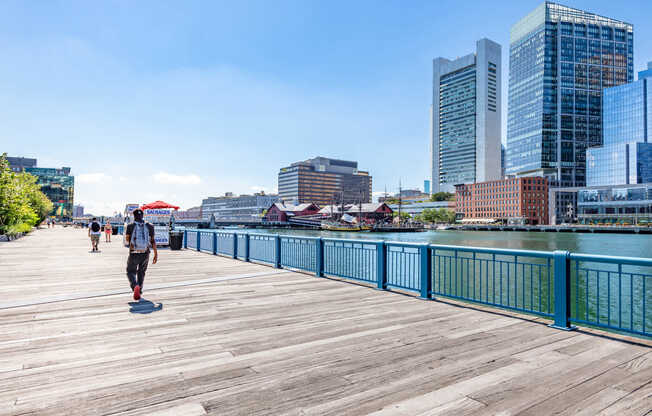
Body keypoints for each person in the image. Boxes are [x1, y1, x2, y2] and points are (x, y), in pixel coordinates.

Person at [125, 209, 158, 300]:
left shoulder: (130, 226)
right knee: (141, 271)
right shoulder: (150, 226)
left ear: (134, 216)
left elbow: (127, 240)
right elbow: (153, 241)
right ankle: (139, 289)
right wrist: (155, 254)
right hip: (145, 252)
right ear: (143, 216)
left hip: (134, 252)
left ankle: (135, 285)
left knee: (130, 271)